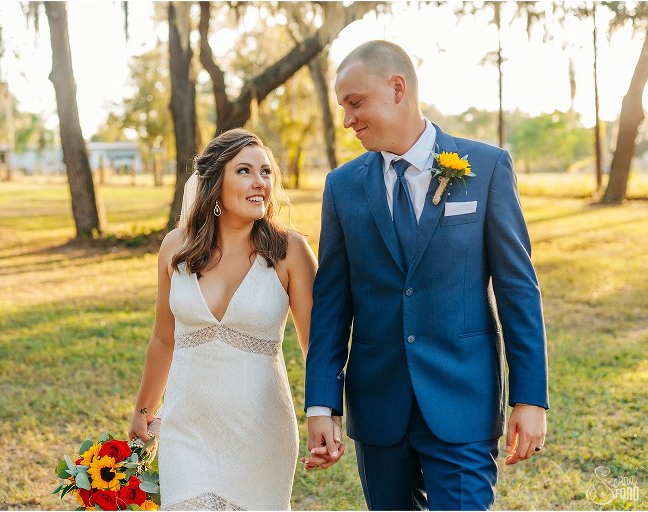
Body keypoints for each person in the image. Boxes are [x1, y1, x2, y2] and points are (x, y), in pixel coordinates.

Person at [302, 40, 549, 510]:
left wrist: (530, 397)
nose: (348, 118)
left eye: (356, 103)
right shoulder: (342, 187)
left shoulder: (487, 168)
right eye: (343, 107)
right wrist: (322, 404)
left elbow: (517, 289)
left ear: (398, 88)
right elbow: (332, 304)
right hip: (378, 407)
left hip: (464, 399)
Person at [128, 128, 324, 510]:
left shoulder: (290, 251)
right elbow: (163, 339)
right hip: (186, 430)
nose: (260, 183)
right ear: (215, 183)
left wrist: (324, 416)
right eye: (245, 171)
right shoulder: (175, 248)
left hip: (260, 432)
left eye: (266, 172)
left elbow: (316, 345)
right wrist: (143, 412)